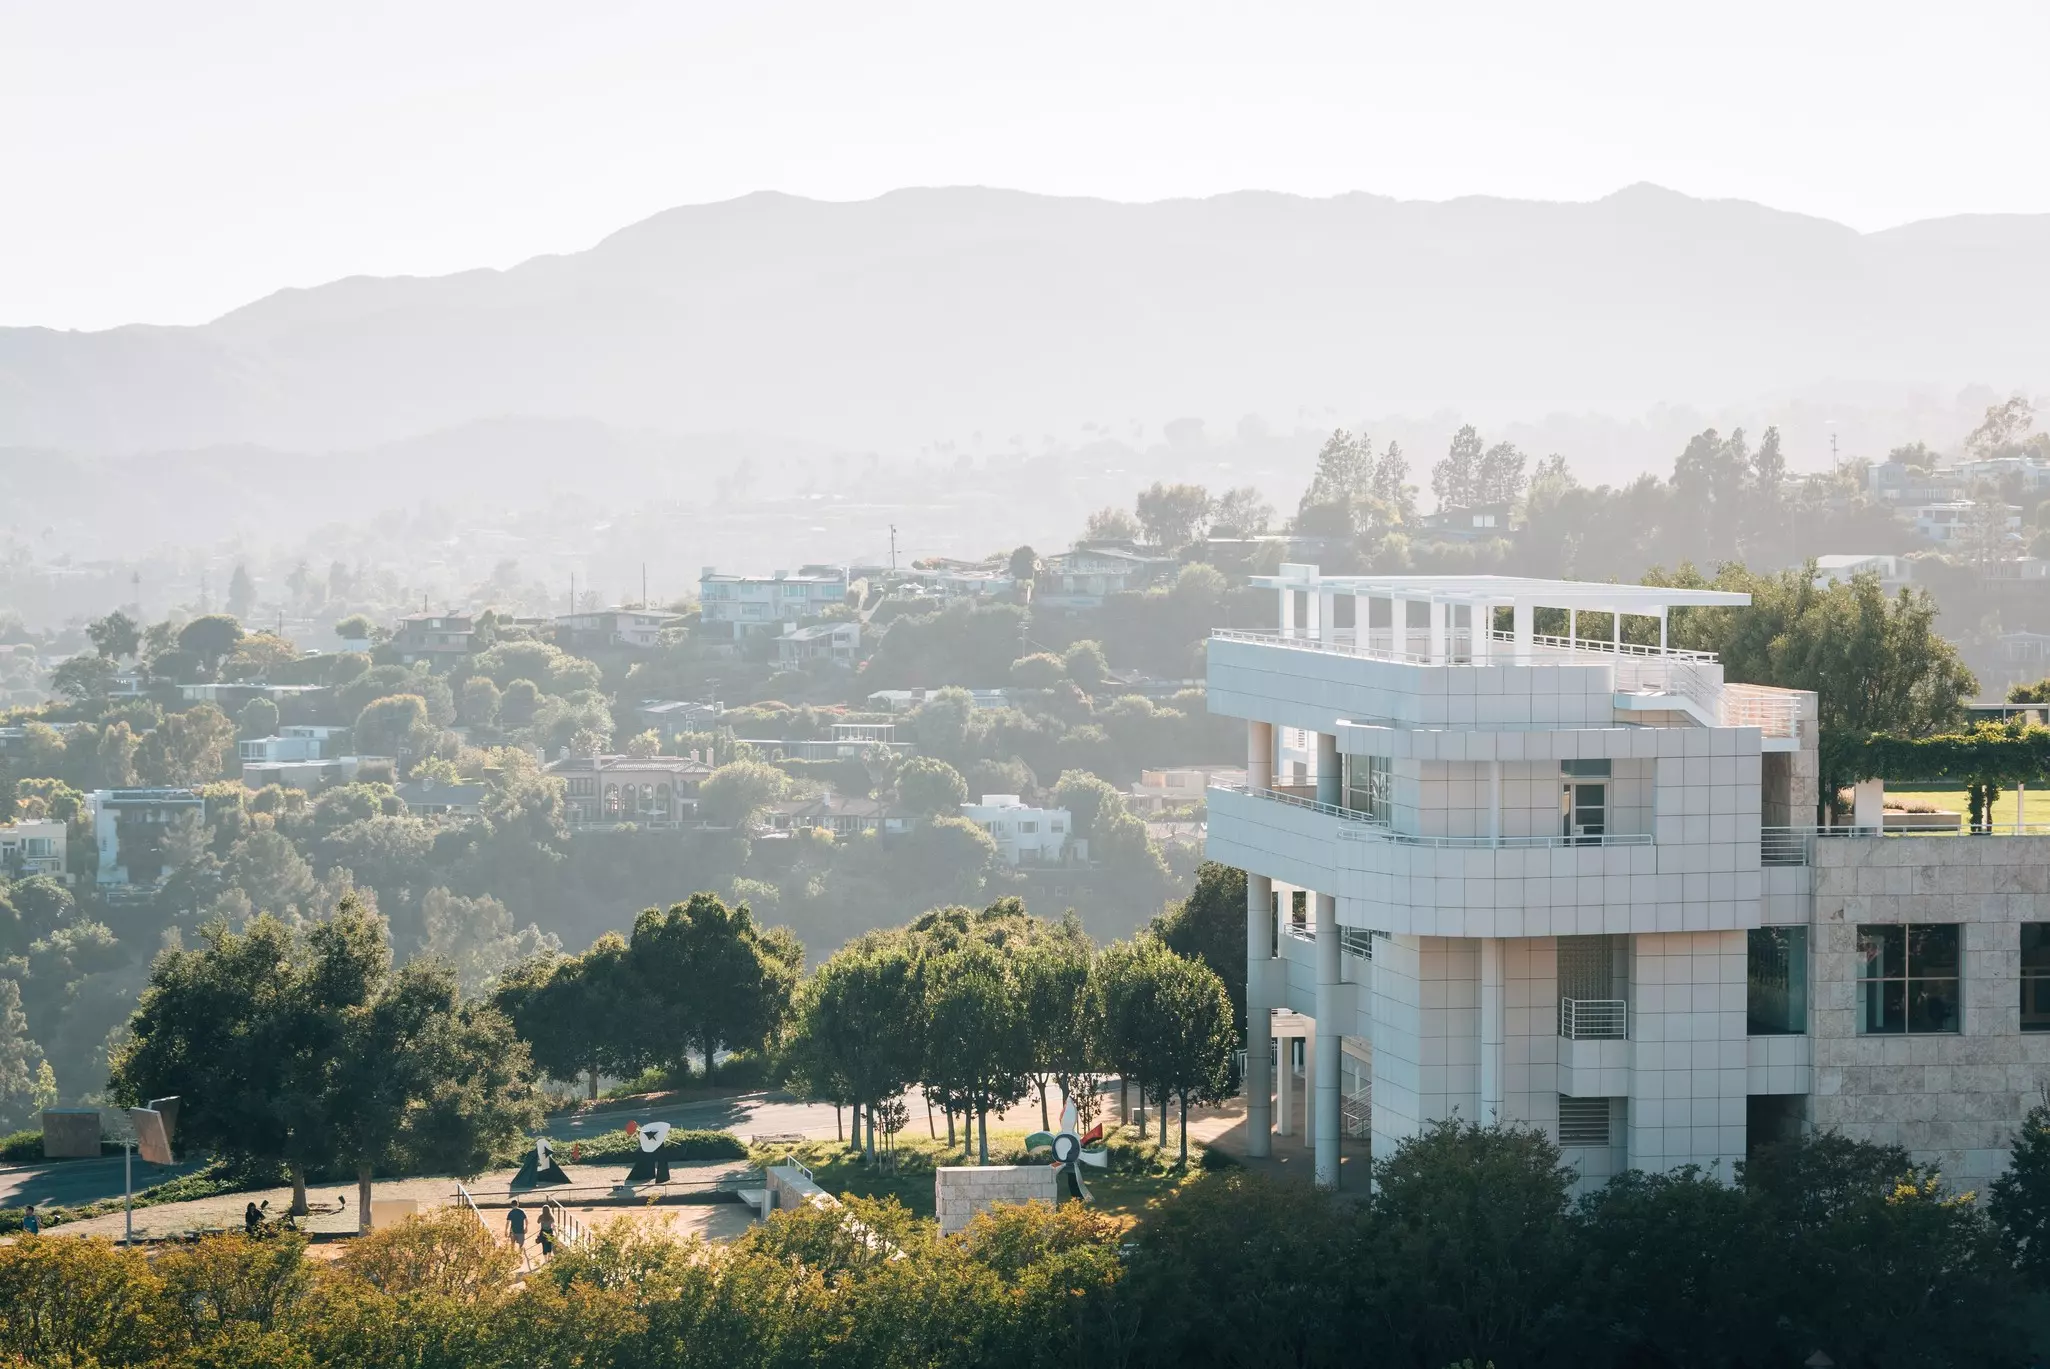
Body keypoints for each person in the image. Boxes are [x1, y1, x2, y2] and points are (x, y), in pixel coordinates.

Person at [505, 1199, 529, 1267]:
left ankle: (512, 1258)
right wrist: (526, 1227)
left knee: (512, 1244)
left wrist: (506, 1230)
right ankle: (520, 1257)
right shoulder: (522, 1212)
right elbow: (526, 1220)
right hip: (520, 1231)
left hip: (513, 1231)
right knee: (521, 1245)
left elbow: (508, 1222)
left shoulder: (511, 1213)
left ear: (511, 1205)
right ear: (518, 1204)